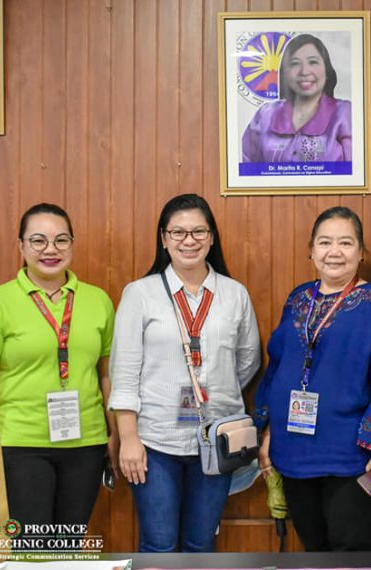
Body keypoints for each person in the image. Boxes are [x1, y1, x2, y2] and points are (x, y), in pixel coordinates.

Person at [254, 207, 371, 552]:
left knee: (352, 554)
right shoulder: (298, 298)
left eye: (346, 243)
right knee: (313, 553)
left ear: (361, 253)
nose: (335, 251)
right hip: (294, 453)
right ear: (311, 250)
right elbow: (279, 367)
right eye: (325, 242)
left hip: (353, 459)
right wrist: (269, 432)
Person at [108, 193, 261, 553]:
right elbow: (124, 373)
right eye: (177, 232)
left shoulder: (234, 294)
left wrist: (214, 390)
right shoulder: (139, 294)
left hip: (218, 440)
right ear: (163, 238)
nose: (188, 241)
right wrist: (128, 438)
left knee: (200, 544)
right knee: (158, 545)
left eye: (197, 232)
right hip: (154, 442)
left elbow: (247, 360)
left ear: (211, 238)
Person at [0, 203, 116, 534]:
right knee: (30, 549)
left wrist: (114, 433)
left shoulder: (98, 301)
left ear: (72, 244)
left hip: (86, 445)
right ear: (20, 246)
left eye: (61, 240)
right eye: (38, 240)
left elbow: (106, 375)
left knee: (67, 547)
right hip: (18, 445)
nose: (51, 249)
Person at [242, 34, 351, 163]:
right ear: (285, 73)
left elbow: (357, 173)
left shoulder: (345, 113)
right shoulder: (265, 114)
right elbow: (245, 170)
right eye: (295, 63)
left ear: (327, 71)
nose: (304, 71)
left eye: (313, 62)